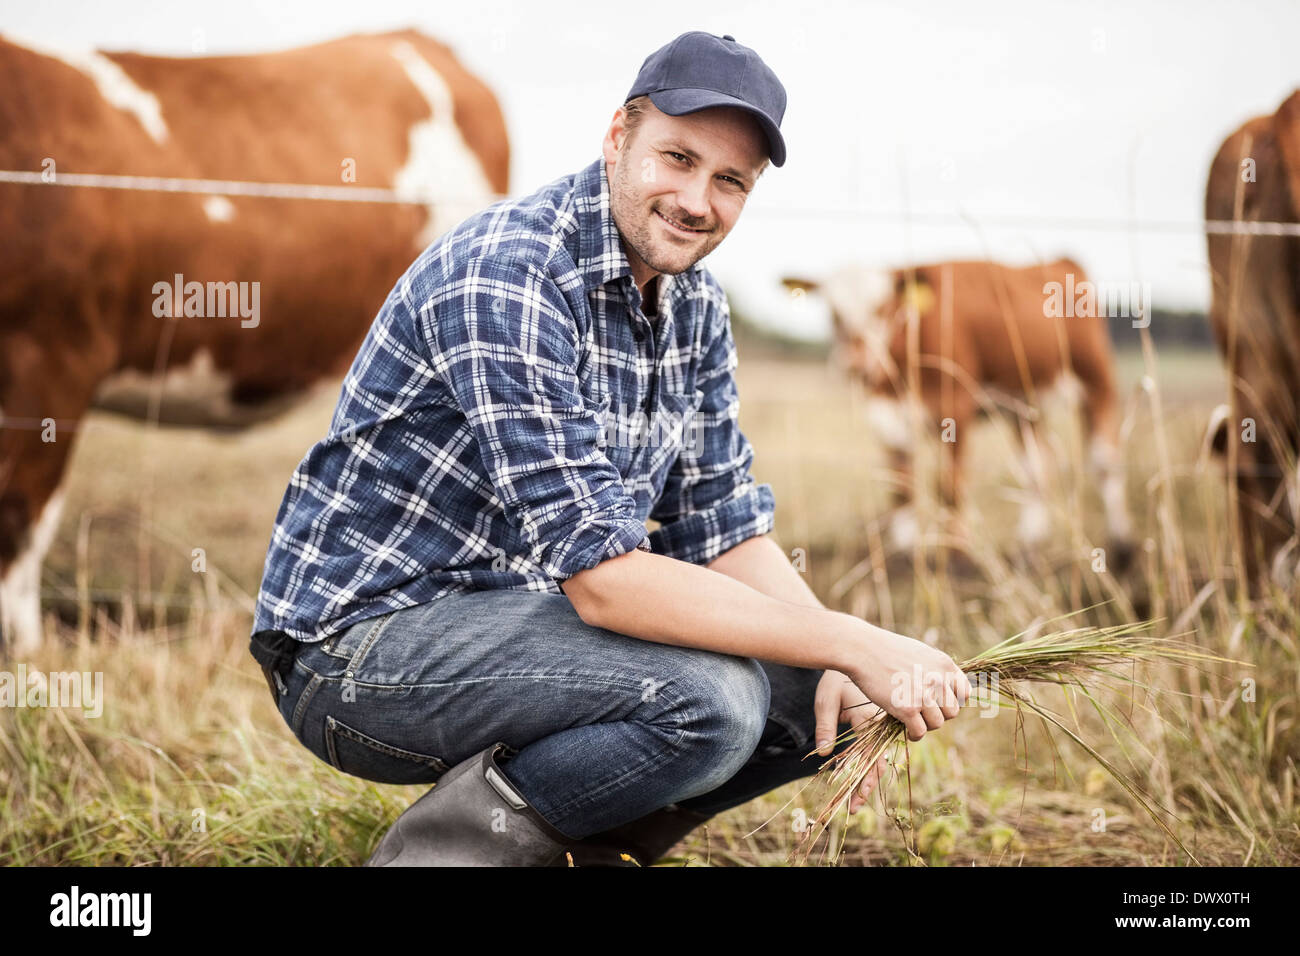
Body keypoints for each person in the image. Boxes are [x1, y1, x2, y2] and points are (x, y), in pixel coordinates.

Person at [248, 30, 970, 867]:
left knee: (823, 704)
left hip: (520, 633)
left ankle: (581, 854)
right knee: (717, 700)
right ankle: (441, 859)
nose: (698, 199)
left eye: (729, 180)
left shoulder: (695, 304)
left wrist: (837, 658)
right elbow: (603, 585)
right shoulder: (510, 274)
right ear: (617, 138)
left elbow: (721, 527)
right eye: (678, 158)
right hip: (359, 652)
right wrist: (850, 638)